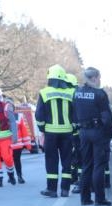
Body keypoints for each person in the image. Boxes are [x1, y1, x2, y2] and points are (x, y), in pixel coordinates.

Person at [73, 66, 112, 206]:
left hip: (83, 132)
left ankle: (85, 198)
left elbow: (73, 112)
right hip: (97, 132)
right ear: (94, 78)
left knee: (86, 165)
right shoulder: (100, 94)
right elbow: (107, 117)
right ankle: (99, 199)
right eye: (99, 78)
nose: (100, 80)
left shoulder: (77, 92)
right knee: (99, 165)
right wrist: (109, 133)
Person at [35, 64, 75, 198]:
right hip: (67, 133)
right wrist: (73, 127)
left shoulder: (44, 92)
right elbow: (75, 114)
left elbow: (39, 115)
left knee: (51, 161)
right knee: (67, 161)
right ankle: (65, 189)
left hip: (50, 133)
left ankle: (52, 189)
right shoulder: (71, 93)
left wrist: (42, 129)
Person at [7, 99, 29, 184]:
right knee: (8, 160)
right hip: (6, 144)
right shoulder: (3, 117)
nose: (9, 108)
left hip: (17, 144)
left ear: (13, 107)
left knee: (17, 160)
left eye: (10, 106)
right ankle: (10, 176)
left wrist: (27, 144)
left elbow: (24, 130)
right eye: (7, 107)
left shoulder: (18, 116)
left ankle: (19, 176)